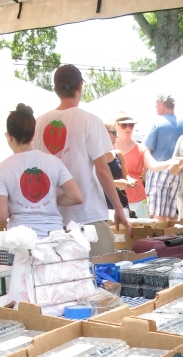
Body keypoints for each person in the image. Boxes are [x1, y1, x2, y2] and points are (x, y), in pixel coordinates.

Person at [33, 64, 131, 256]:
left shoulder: (39, 123)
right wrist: (119, 208)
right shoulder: (90, 120)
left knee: (61, 281)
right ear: (80, 87)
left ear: (56, 90)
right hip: (88, 217)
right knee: (100, 278)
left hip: (53, 219)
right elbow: (102, 170)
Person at [0, 103, 83, 237]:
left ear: (9, 136)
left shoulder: (0, 169)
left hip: (20, 240)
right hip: (53, 236)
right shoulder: (54, 162)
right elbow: (76, 197)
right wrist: (50, 201)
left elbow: (0, 215)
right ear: (33, 135)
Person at [142, 95, 183, 222]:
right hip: (178, 171)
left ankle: (161, 241)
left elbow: (146, 150)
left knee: (158, 215)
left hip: (160, 170)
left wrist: (144, 172)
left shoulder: (157, 123)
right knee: (172, 214)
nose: (155, 107)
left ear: (162, 105)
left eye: (156, 104)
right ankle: (177, 240)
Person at [114, 113, 148, 219]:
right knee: (119, 234)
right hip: (116, 199)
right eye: (124, 125)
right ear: (116, 127)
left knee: (142, 231)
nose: (128, 128)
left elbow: (151, 165)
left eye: (131, 125)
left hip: (138, 198)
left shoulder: (140, 147)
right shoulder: (108, 148)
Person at [104, 123, 136, 213]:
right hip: (102, 207)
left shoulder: (118, 154)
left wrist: (130, 180)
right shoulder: (93, 157)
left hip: (121, 205)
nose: (116, 136)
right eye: (114, 133)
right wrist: (116, 183)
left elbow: (125, 175)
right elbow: (92, 182)